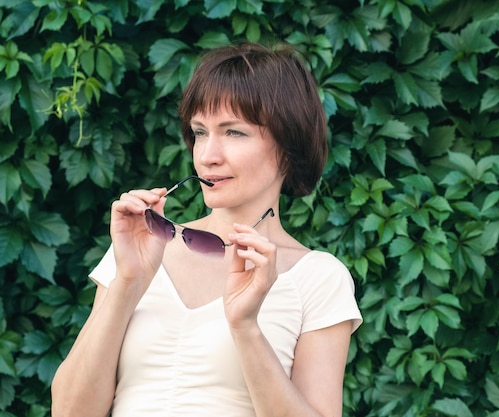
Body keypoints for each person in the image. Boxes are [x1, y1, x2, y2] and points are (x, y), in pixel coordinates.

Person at [51, 42, 362, 417]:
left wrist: (245, 328)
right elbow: (70, 411)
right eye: (200, 132)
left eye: (234, 133)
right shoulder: (141, 245)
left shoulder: (319, 278)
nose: (207, 155)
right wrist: (128, 281)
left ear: (287, 145)